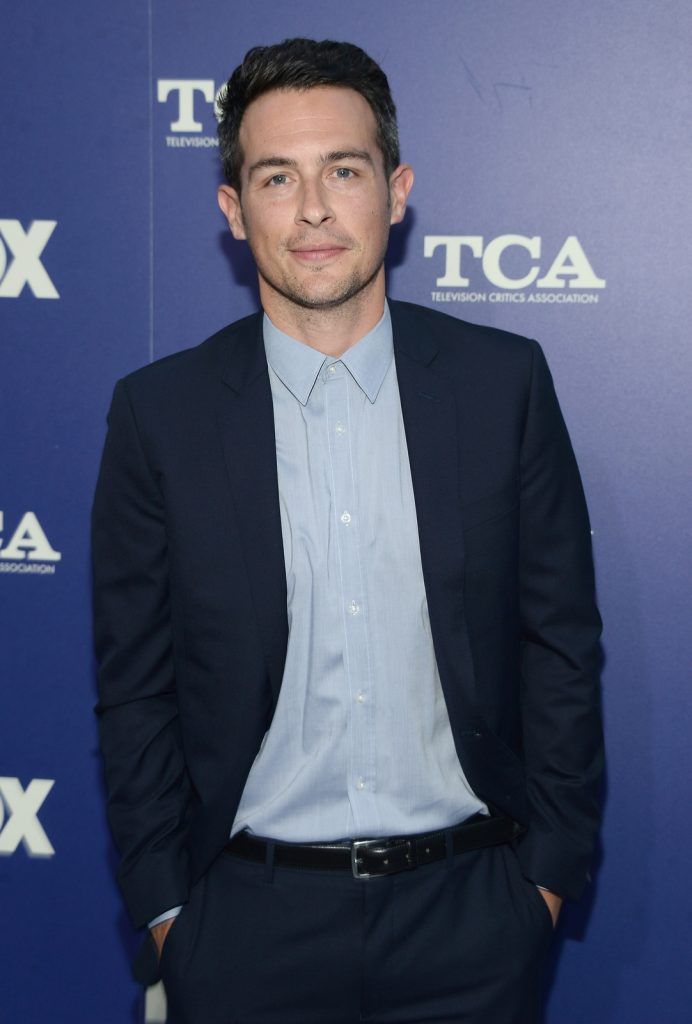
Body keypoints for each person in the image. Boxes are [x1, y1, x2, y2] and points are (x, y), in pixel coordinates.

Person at [92, 37, 603, 1024]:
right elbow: (135, 685)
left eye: (344, 170)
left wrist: (539, 882)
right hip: (242, 928)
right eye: (277, 176)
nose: (314, 207)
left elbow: (560, 649)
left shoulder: (502, 388)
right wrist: (168, 911)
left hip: (471, 920)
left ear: (395, 190)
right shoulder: (161, 415)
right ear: (235, 211)